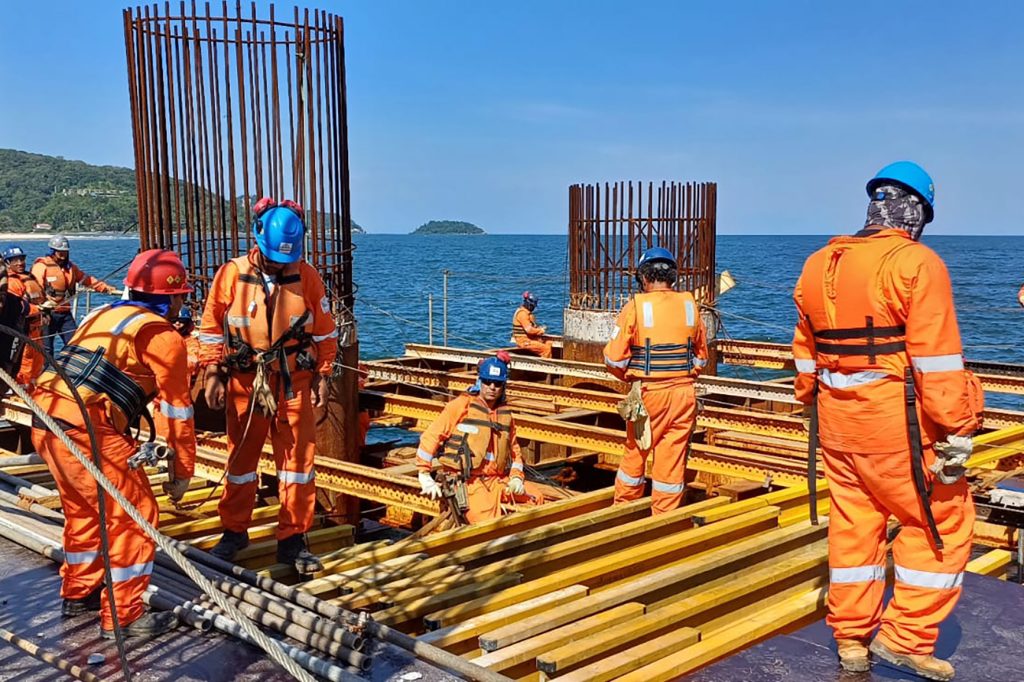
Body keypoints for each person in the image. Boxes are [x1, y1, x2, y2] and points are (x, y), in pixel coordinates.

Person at [791, 161, 983, 680]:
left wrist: (812, 397)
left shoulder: (817, 264)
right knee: (941, 522)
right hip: (896, 427)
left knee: (854, 527)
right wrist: (957, 429)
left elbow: (805, 355)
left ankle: (852, 638)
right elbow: (938, 361)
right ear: (918, 212)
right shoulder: (917, 264)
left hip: (836, 424)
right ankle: (904, 639)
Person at [31, 249, 196, 639]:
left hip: (47, 418)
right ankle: (123, 616)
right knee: (136, 513)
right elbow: (177, 412)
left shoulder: (104, 315)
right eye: (182, 297)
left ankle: (79, 592)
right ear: (172, 298)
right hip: (86, 429)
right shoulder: (163, 337)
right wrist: (181, 473)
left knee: (85, 509)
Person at [199, 198, 337, 575]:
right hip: (246, 381)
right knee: (241, 459)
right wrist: (212, 371)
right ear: (258, 239)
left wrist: (324, 375)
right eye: (275, 257)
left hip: (294, 382)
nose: (280, 264)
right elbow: (211, 328)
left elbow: (325, 330)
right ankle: (234, 531)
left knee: (297, 465)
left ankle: (292, 540)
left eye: (286, 258)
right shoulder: (231, 275)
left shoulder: (306, 276)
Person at [603, 247, 708, 516]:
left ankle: (623, 513)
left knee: (636, 451)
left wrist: (630, 376)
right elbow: (701, 359)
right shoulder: (690, 306)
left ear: (643, 278)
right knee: (671, 462)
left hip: (650, 394)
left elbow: (614, 359)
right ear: (672, 277)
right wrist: (684, 377)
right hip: (684, 394)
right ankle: (664, 520)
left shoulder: (635, 307)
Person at [415, 354, 543, 523]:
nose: (492, 387)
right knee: (487, 522)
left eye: (497, 383)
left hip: (498, 481)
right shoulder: (461, 406)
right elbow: (432, 436)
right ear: (479, 381)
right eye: (487, 382)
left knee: (537, 499)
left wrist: (517, 477)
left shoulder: (505, 414)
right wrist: (424, 474)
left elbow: (515, 451)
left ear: (503, 385)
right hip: (469, 483)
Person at [31, 235, 117, 356]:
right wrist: (42, 305)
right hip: (47, 314)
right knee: (46, 350)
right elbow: (34, 287)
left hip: (65, 313)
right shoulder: (41, 266)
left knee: (75, 344)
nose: (63, 255)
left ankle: (71, 371)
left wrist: (105, 288)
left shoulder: (71, 268)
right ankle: (46, 373)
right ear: (53, 251)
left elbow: (87, 280)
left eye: (65, 252)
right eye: (60, 252)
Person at [5, 245, 47, 386]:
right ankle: (21, 393)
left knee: (38, 363)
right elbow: (17, 307)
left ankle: (34, 391)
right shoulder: (11, 283)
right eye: (15, 260)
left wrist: (48, 307)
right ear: (8, 263)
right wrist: (39, 309)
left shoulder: (30, 277)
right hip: (24, 329)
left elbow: (40, 296)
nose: (20, 263)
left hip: (37, 329)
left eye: (21, 259)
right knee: (25, 364)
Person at [512, 291, 552, 358]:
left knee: (549, 343)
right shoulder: (522, 314)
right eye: (532, 306)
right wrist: (540, 330)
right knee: (546, 349)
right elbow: (529, 330)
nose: (533, 308)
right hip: (524, 341)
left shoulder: (528, 314)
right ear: (528, 304)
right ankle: (545, 366)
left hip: (530, 339)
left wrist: (538, 328)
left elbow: (532, 327)